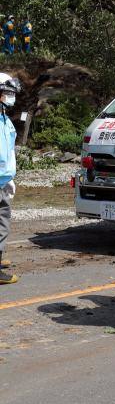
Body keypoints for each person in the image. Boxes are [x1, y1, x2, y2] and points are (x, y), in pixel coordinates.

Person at [0, 74, 21, 285]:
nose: (10, 97)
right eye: (7, 93)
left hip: (3, 181)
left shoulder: (4, 119)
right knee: (1, 224)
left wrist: (9, 178)